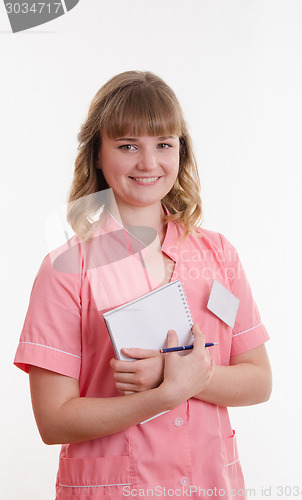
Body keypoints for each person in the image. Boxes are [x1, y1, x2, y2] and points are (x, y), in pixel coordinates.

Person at [14, 70, 272, 500]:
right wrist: (161, 395)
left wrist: (180, 377)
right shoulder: (67, 268)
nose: (148, 163)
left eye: (163, 145)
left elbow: (258, 379)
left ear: (180, 153)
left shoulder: (218, 254)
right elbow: (53, 419)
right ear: (98, 154)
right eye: (128, 145)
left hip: (210, 485)